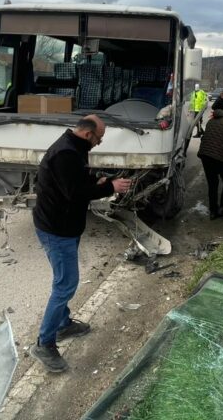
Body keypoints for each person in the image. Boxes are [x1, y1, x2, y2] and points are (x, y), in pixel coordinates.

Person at [29, 115, 132, 372]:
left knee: (63, 281)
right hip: (56, 229)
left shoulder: (75, 147)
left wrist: (95, 181)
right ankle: (44, 344)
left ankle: (63, 324)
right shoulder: (66, 153)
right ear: (88, 134)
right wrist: (110, 187)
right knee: (65, 285)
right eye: (99, 138)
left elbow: (74, 182)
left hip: (65, 226)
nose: (99, 142)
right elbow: (74, 193)